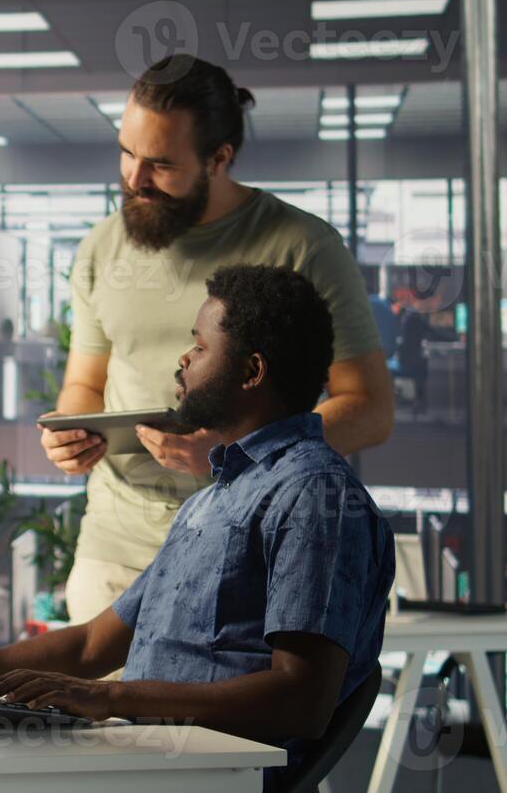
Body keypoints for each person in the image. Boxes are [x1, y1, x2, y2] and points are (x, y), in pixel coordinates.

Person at [0, 265, 393, 793]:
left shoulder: (314, 497)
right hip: (139, 762)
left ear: (252, 371)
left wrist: (109, 700)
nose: (184, 359)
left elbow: (302, 699)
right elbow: (90, 646)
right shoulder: (213, 499)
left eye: (200, 347)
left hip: (206, 779)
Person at [39, 54, 391, 623]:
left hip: (248, 544)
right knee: (93, 713)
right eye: (127, 153)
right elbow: (86, 382)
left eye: (158, 163)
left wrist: (238, 453)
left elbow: (370, 410)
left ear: (218, 159)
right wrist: (72, 433)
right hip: (115, 546)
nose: (133, 178)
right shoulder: (101, 247)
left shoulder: (304, 247)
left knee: (208, 717)